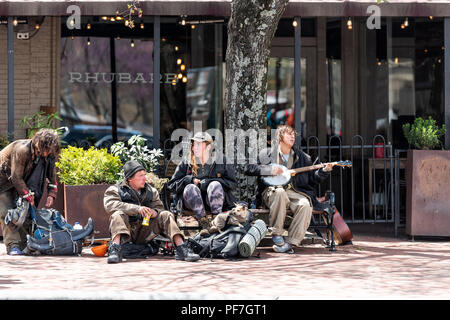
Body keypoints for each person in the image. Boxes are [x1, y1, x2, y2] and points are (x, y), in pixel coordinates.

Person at [245, 125, 334, 253]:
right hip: (272, 190)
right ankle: (277, 234)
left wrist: (325, 170)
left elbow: (312, 179)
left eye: (293, 134)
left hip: (293, 191)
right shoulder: (267, 153)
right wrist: (269, 169)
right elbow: (248, 168)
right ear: (280, 137)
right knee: (280, 192)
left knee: (304, 204)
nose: (293, 137)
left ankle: (291, 242)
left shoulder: (302, 157)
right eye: (289, 134)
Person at [103, 160, 200, 263]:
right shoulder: (114, 190)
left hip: (145, 231)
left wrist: (155, 212)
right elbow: (110, 205)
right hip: (126, 233)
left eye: (144, 175)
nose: (144, 178)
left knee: (166, 214)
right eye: (140, 176)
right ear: (130, 178)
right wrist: (137, 209)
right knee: (117, 214)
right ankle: (115, 250)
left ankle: (182, 248)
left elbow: (159, 207)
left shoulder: (151, 191)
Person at [0, 128, 60, 255]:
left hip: (20, 181)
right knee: (7, 212)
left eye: (51, 150)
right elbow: (16, 177)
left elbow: (52, 175)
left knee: (24, 211)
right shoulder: (22, 150)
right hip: (3, 182)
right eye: (48, 149)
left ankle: (23, 245)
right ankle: (13, 246)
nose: (49, 152)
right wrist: (28, 195)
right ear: (41, 144)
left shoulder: (48, 153)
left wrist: (51, 194)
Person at [167, 132, 237, 236]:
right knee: (191, 187)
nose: (194, 147)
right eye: (194, 144)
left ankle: (216, 221)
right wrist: (189, 180)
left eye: (198, 144)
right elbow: (171, 185)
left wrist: (210, 182)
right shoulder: (186, 161)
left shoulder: (221, 160)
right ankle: (204, 223)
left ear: (208, 147)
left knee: (215, 185)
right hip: (191, 203)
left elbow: (232, 183)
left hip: (214, 202)